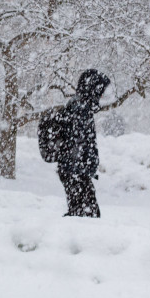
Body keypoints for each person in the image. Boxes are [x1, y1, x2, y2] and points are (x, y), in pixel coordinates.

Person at [57, 69, 111, 218]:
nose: (101, 95)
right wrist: (83, 168)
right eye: (100, 90)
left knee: (82, 214)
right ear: (93, 88)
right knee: (87, 216)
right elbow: (78, 142)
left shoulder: (80, 105)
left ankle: (66, 237)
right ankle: (61, 238)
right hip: (75, 171)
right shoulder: (81, 108)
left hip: (75, 171)